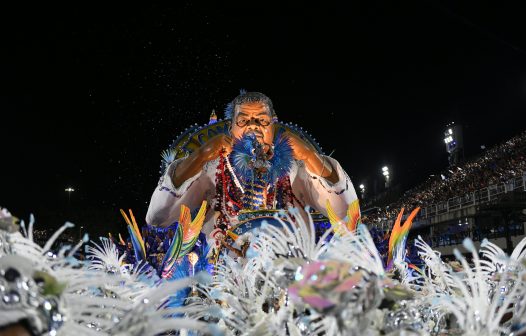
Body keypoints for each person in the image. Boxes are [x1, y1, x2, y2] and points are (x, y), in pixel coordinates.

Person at [146, 91, 358, 252]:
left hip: (290, 283)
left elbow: (347, 213)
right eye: (244, 120)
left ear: (272, 127)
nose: (253, 126)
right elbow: (158, 217)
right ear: (231, 128)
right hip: (225, 288)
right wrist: (199, 156)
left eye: (262, 120)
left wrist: (311, 157)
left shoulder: (297, 168)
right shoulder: (212, 169)